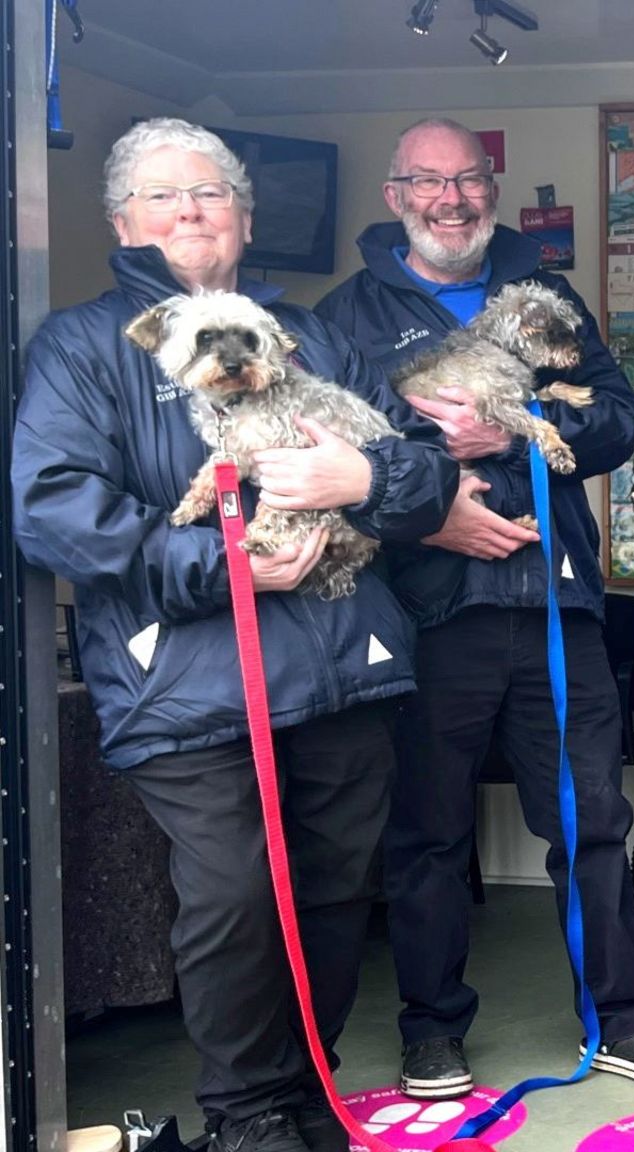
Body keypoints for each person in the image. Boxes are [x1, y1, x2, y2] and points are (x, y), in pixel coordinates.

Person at [9, 118, 458, 1152]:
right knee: (236, 898)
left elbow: (426, 470)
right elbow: (53, 508)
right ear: (123, 219)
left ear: (247, 218)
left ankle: (308, 1089)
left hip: (343, 661)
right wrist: (221, 566)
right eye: (165, 196)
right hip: (190, 678)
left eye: (210, 192)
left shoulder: (316, 335)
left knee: (339, 889)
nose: (191, 211)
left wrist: (364, 478)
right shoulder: (84, 346)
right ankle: (248, 1114)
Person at [315, 116, 634, 1098]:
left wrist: (511, 431)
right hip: (427, 613)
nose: (452, 199)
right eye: (429, 183)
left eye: (469, 180)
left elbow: (614, 419)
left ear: (491, 189)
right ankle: (431, 1031)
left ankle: (623, 1021)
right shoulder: (350, 314)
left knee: (593, 823)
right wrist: (428, 512)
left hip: (555, 608)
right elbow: (336, 461)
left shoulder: (548, 298)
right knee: (427, 834)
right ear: (397, 195)